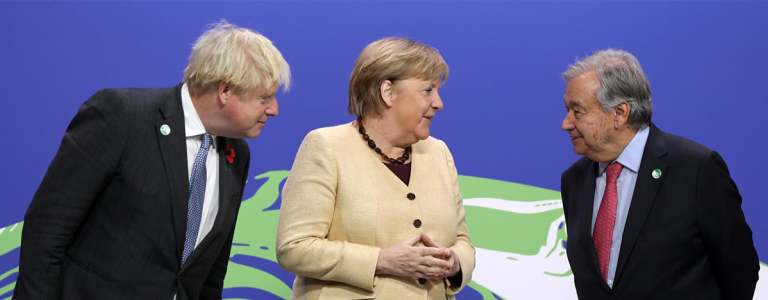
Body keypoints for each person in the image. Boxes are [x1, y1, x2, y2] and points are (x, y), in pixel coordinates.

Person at [14, 20, 290, 300]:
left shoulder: (237, 154)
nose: (274, 109)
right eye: (264, 98)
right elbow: (47, 228)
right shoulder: (122, 116)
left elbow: (211, 271)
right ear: (225, 90)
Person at [276, 37, 475, 299]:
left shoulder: (439, 153)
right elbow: (294, 248)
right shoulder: (327, 146)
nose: (439, 103)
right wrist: (381, 260)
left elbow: (463, 242)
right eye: (428, 90)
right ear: (388, 92)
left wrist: (454, 261)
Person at [559, 49, 759, 299]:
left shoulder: (696, 170)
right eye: (567, 110)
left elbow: (740, 271)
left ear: (620, 113)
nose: (566, 123)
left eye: (578, 111)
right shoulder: (574, 180)